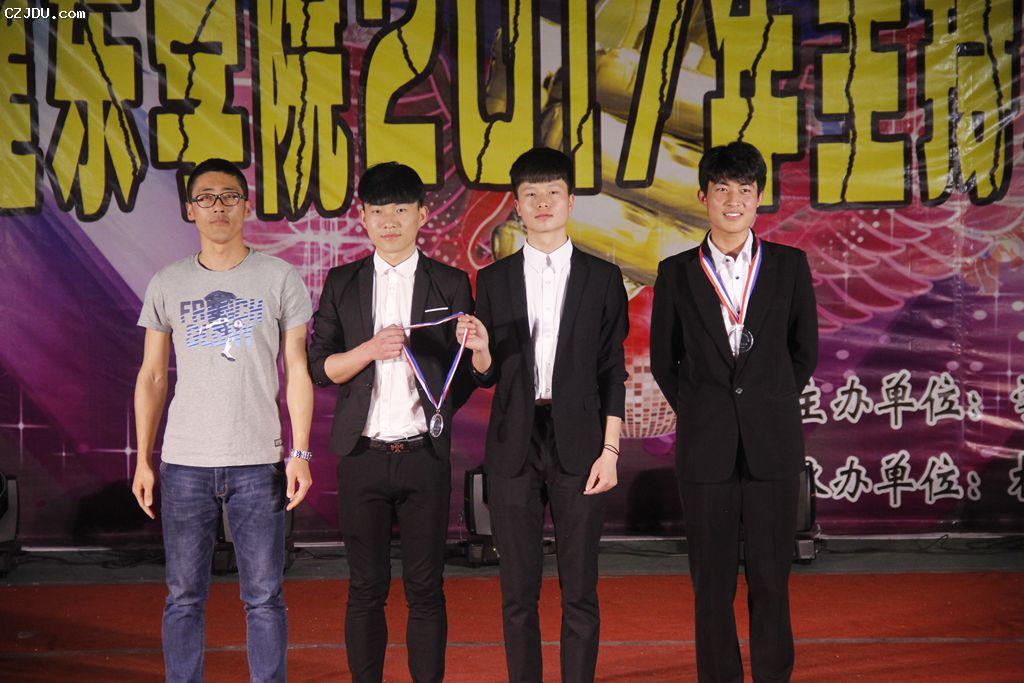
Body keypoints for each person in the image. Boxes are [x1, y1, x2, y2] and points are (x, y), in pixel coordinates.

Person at [132, 157, 315, 682]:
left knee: (265, 596)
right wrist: (144, 460)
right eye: (206, 198)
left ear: (246, 206)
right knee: (183, 596)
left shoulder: (279, 277)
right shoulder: (168, 282)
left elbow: (297, 369)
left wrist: (300, 451)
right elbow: (152, 376)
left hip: (258, 461)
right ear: (190, 209)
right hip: (185, 463)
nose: (218, 207)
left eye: (230, 196)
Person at [457, 147, 629, 683]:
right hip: (515, 441)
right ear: (516, 205)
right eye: (530, 194)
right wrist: (480, 350)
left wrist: (610, 450)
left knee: (580, 589)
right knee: (517, 592)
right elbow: (486, 374)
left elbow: (613, 371)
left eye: (553, 192)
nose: (542, 203)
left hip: (581, 441)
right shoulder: (494, 279)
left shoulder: (603, 277)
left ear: (571, 201)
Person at [650, 141, 818, 683]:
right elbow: (663, 361)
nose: (733, 201)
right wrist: (704, 410)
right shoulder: (676, 272)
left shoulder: (789, 267)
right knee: (711, 584)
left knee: (771, 579)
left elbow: (804, 353)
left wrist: (765, 402)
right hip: (706, 449)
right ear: (703, 196)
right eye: (721, 189)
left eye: (745, 190)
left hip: (772, 446)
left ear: (759, 197)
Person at [307, 162, 475, 683]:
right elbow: (320, 368)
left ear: (422, 215)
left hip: (424, 455)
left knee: (426, 588)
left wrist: (476, 354)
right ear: (362, 218)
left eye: (402, 209)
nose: (389, 221)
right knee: (365, 588)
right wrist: (370, 349)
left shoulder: (450, 282)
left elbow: (466, 377)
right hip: (363, 455)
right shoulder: (343, 282)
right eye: (378, 211)